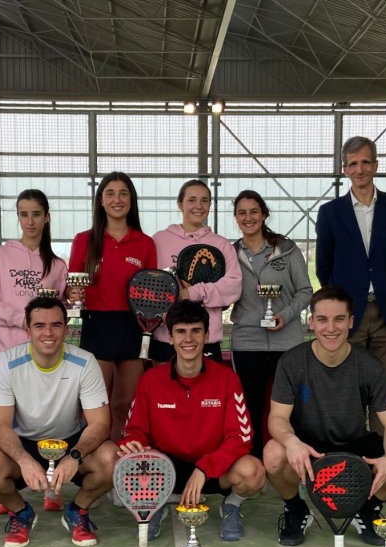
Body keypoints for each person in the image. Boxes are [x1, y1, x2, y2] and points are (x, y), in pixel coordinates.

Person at [264, 286, 386, 547]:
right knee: (273, 454)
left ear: (351, 322)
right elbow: (277, 419)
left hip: (356, 447)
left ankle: (368, 508)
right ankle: (296, 509)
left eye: (339, 319)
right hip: (309, 447)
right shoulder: (292, 362)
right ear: (311, 323)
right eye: (322, 319)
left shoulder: (368, 365)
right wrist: (292, 442)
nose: (331, 328)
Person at [0, 296, 118, 547]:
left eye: (56, 325)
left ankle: (78, 511)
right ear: (27, 330)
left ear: (67, 328)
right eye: (39, 326)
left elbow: (100, 424)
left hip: (71, 442)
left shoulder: (85, 362)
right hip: (23, 444)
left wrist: (74, 455)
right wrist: (24, 460)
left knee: (113, 459)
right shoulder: (6, 362)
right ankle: (20, 512)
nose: (48, 333)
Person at [119, 300, 265, 543]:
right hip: (166, 470)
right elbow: (134, 431)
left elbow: (241, 438)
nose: (189, 339)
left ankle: (231, 505)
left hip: (212, 469)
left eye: (196, 331)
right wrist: (132, 444)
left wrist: (205, 467)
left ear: (207, 335)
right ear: (170, 338)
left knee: (254, 472)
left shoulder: (227, 379)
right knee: (125, 458)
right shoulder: (151, 380)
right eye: (181, 331)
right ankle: (155, 504)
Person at [0, 188, 68, 513]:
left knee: (46, 420)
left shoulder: (57, 265)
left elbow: (57, 308)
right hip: (6, 354)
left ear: (46, 217)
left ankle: (50, 487)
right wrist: (19, 320)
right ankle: (6, 490)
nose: (30, 221)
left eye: (36, 214)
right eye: (24, 214)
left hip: (45, 359)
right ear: (19, 217)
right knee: (4, 421)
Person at [315, 136, 386, 401]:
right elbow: (324, 266)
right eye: (353, 164)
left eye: (365, 162)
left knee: (383, 392)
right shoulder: (330, 212)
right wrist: (339, 305)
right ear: (345, 169)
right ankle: (353, 444)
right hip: (349, 313)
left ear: (376, 165)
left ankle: (382, 444)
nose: (359, 169)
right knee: (348, 389)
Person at [68, 172, 158, 441]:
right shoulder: (84, 240)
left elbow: (152, 293)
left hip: (133, 327)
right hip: (97, 326)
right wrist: (72, 292)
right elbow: (72, 286)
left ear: (131, 200)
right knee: (97, 405)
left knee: (125, 404)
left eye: (123, 193)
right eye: (110, 193)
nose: (117, 199)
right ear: (101, 201)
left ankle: (121, 461)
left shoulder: (145, 243)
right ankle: (95, 463)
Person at [229, 190, 313, 457]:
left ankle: (295, 461)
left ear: (264, 214)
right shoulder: (231, 254)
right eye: (242, 212)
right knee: (250, 408)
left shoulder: (286, 249)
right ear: (236, 218)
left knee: (292, 407)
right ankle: (252, 465)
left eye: (254, 211)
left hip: (287, 343)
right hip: (247, 344)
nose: (248, 217)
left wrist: (285, 316)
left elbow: (305, 291)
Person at [150, 179, 241, 363]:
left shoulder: (221, 244)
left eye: (205, 200)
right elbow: (148, 284)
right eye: (192, 200)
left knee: (208, 393)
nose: (198, 206)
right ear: (180, 204)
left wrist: (190, 293)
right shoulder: (158, 240)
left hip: (206, 340)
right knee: (166, 392)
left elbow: (233, 286)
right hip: (165, 338)